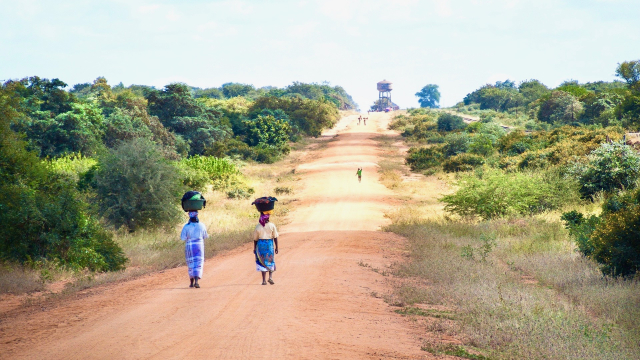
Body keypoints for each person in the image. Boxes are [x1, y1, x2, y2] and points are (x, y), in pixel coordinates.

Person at [180, 211, 209, 288]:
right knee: (198, 263)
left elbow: (183, 238)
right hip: (199, 245)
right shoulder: (202, 225)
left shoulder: (186, 226)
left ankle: (191, 283)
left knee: (191, 263)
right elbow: (205, 235)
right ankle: (196, 281)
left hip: (189, 246)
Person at [253, 212, 279, 285]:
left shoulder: (258, 227)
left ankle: (264, 280)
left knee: (262, 261)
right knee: (270, 259)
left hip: (260, 245)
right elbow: (275, 237)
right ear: (268, 218)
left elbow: (255, 239)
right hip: (269, 244)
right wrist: (276, 247)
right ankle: (270, 277)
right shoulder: (272, 225)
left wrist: (255, 248)